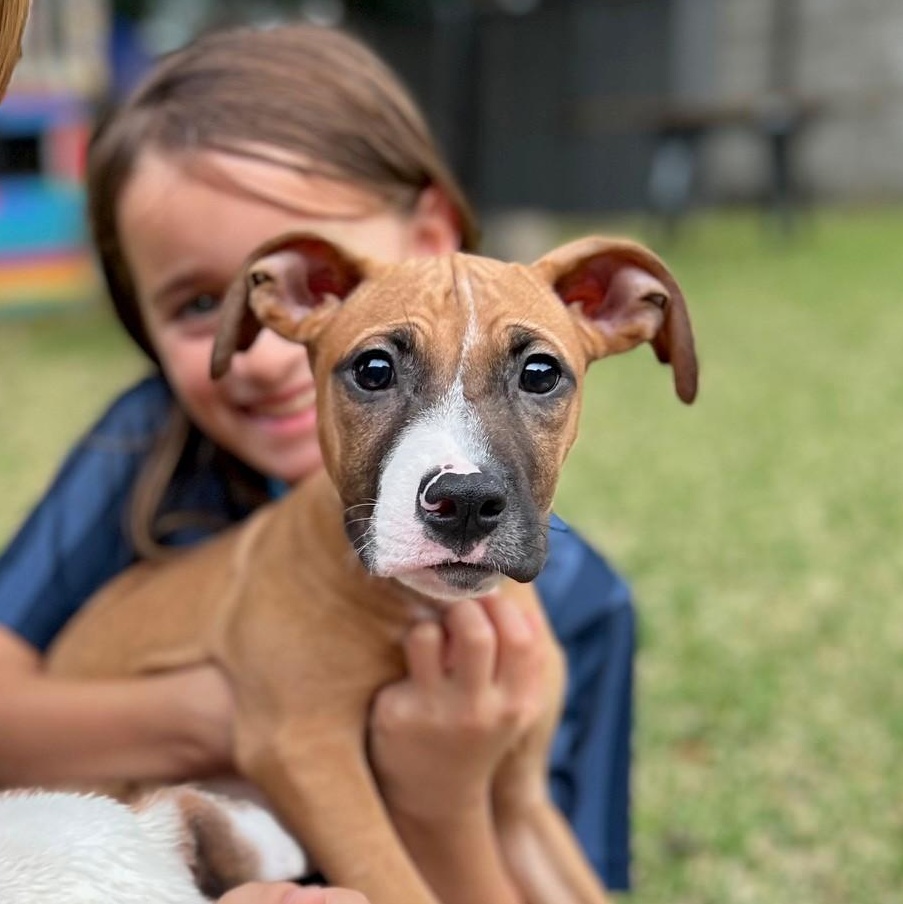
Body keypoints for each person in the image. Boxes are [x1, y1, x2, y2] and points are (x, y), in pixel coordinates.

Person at [0, 20, 634, 899]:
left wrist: (443, 796)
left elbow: (533, 835)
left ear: (431, 232)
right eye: (199, 304)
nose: (266, 352)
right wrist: (242, 708)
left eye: (535, 375)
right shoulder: (142, 444)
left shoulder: (581, 604)